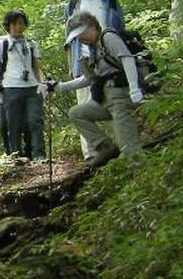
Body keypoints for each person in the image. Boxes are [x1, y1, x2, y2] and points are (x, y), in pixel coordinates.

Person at [48, 12, 145, 167]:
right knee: (77, 113)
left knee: (129, 148)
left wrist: (134, 89)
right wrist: (60, 87)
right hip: (105, 100)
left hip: (121, 98)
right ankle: (106, 146)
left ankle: (145, 178)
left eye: (81, 33)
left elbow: (126, 59)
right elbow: (89, 79)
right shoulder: (91, 49)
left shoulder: (108, 38)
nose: (80, 39)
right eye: (77, 37)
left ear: (92, 26)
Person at [0, 10, 48, 161]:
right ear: (8, 26)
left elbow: (36, 67)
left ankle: (38, 154)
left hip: (32, 87)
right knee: (13, 124)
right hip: (10, 87)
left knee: (35, 121)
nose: (18, 27)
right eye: (14, 23)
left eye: (21, 23)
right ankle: (16, 156)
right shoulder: (3, 43)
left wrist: (43, 84)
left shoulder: (31, 44)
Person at [63, 0, 125, 105]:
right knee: (85, 108)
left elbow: (121, 30)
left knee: (113, 105)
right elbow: (69, 40)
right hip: (84, 63)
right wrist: (72, 67)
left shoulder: (110, 1)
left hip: (109, 61)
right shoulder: (72, 6)